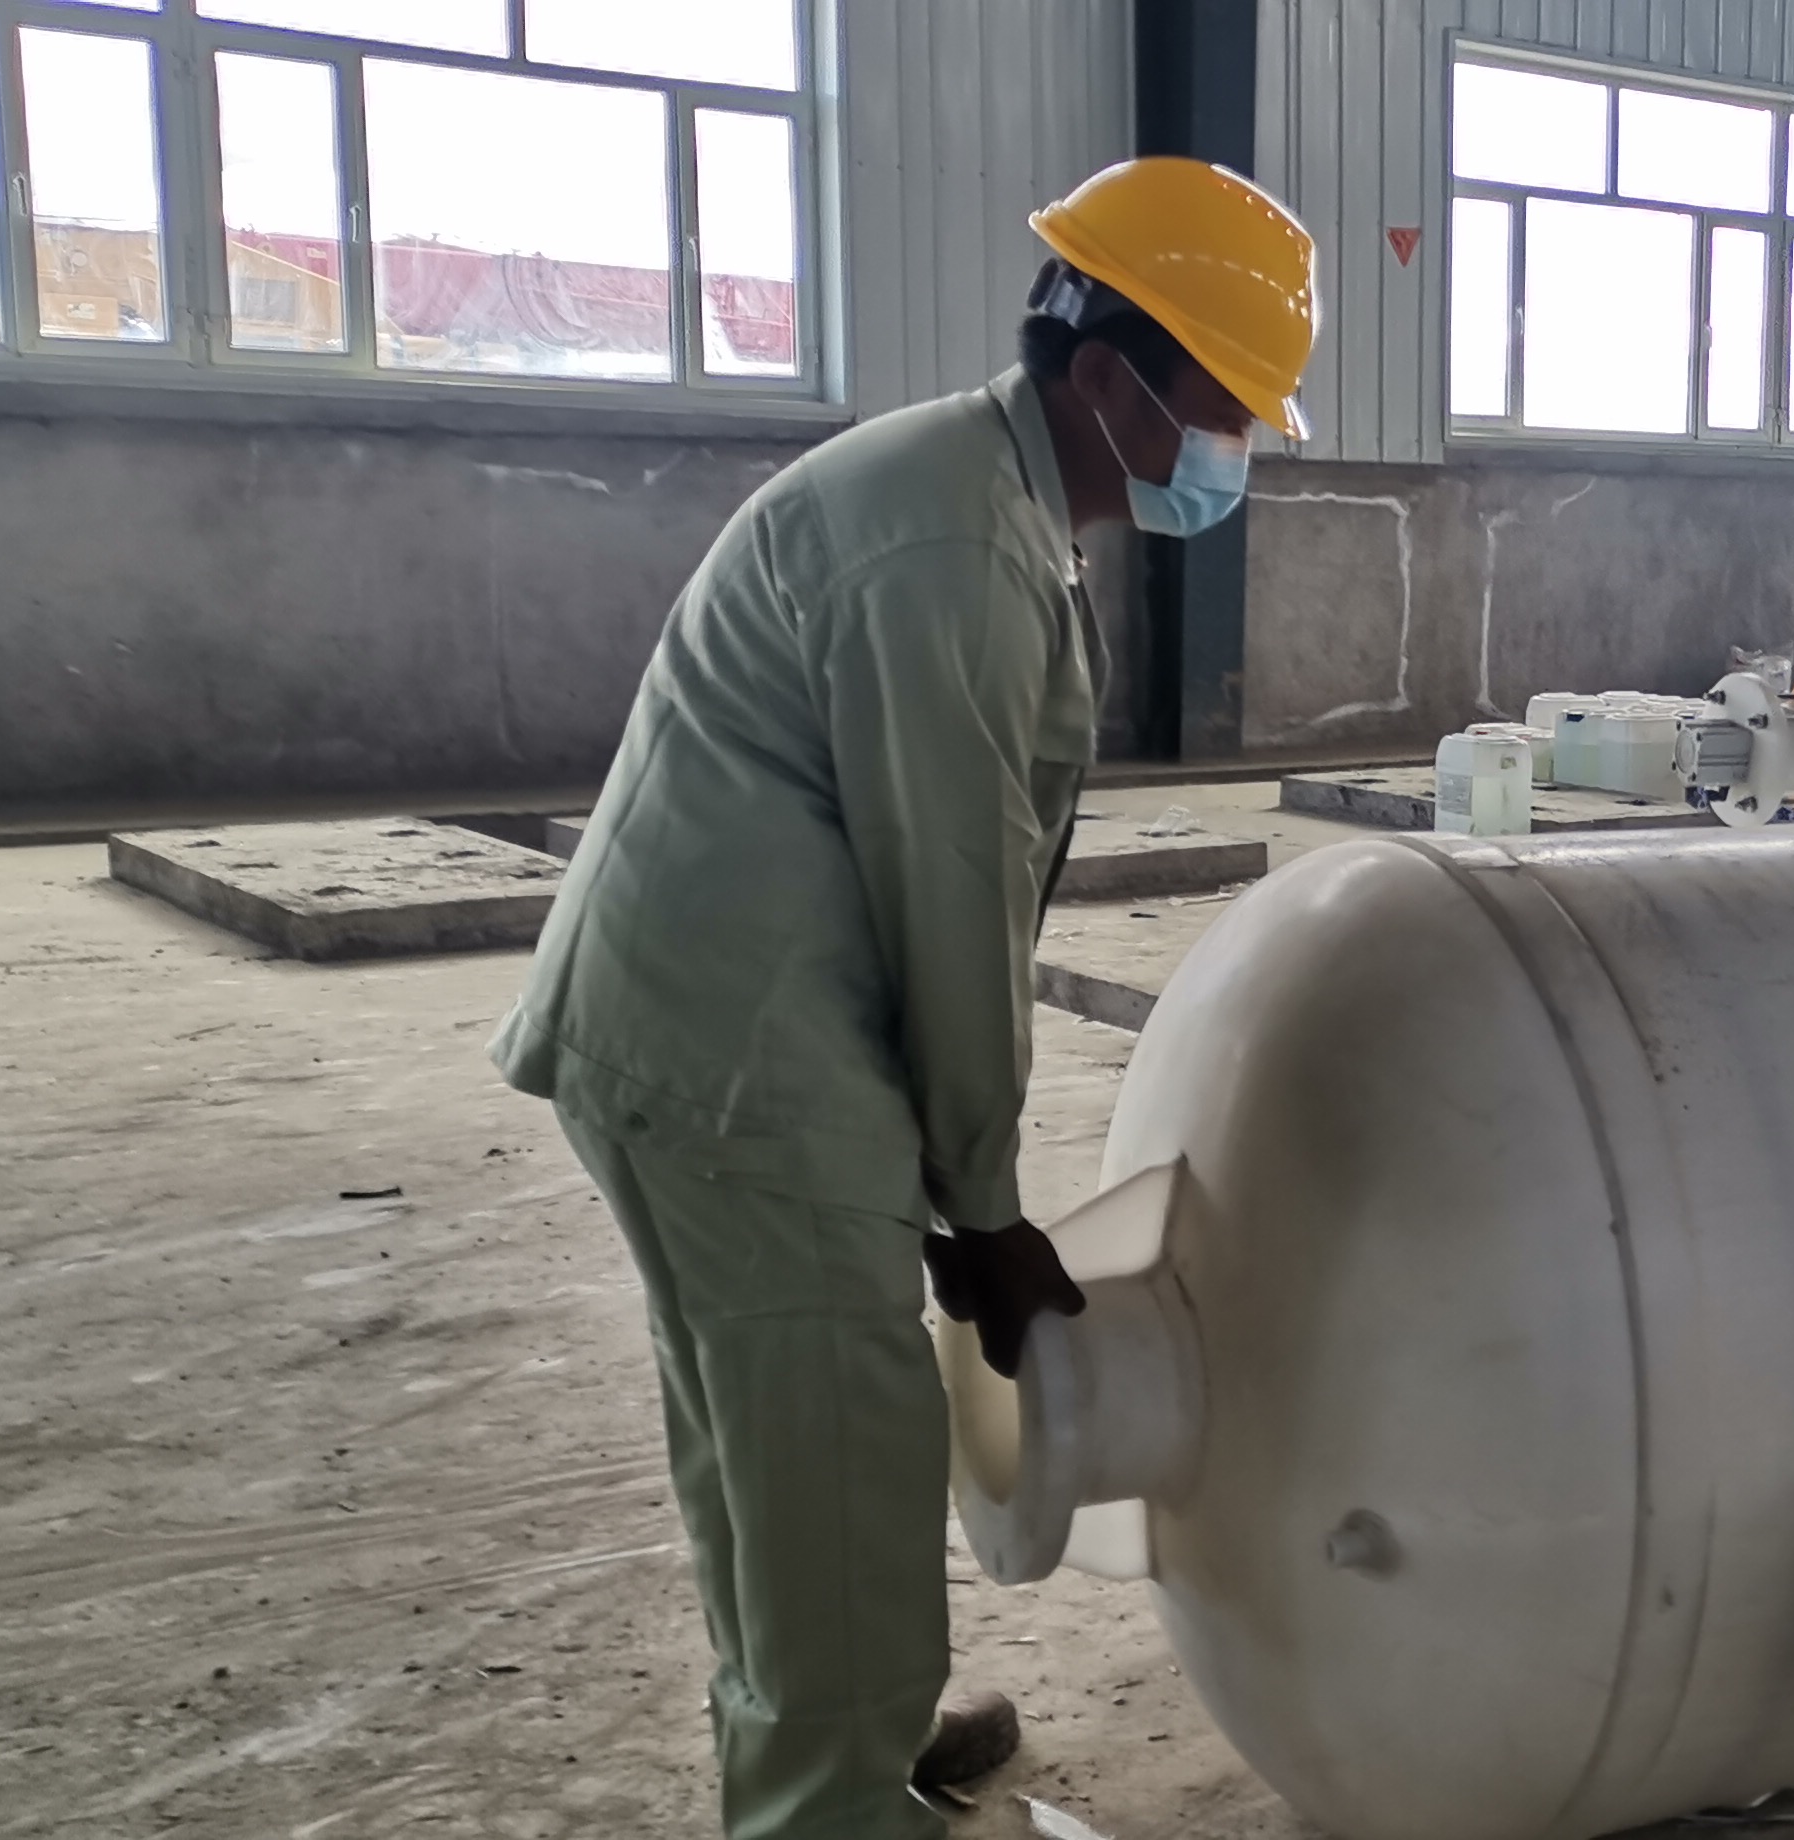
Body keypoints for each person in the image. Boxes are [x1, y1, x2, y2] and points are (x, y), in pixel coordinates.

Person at [487, 156, 1317, 1838]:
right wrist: (985, 1207)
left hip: (699, 1029)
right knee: (837, 1458)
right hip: (742, 1066)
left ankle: (830, 1735)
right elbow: (949, 896)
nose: (1233, 450)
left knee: (766, 1446)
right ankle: (832, 1802)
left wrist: (958, 1181)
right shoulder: (952, 549)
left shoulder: (979, 496)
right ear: (1113, 384)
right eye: (1223, 411)